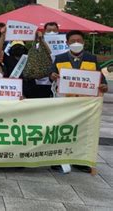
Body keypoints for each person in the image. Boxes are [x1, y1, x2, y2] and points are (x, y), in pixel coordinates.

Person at [49, 30, 108, 174]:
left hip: (85, 103)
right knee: (62, 130)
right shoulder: (59, 58)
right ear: (67, 43)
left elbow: (102, 80)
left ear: (84, 42)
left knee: (81, 130)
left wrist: (103, 86)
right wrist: (53, 75)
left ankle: (79, 160)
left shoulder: (91, 58)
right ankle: (58, 159)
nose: (76, 43)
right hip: (65, 102)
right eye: (73, 41)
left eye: (79, 41)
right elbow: (51, 75)